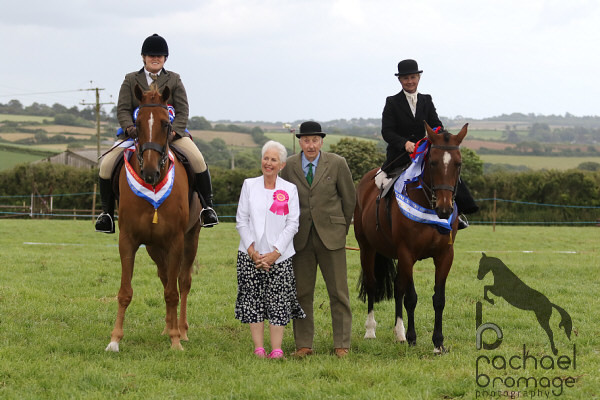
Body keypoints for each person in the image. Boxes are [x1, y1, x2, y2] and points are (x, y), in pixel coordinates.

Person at [95, 33, 218, 233]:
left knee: (198, 159)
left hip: (170, 135)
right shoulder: (130, 79)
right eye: (151, 55)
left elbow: (183, 110)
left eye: (159, 55)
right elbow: (123, 110)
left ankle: (207, 208)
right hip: (136, 135)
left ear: (165, 59)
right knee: (106, 164)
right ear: (143, 57)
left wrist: (174, 133)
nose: (155, 58)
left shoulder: (175, 79)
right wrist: (129, 128)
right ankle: (107, 215)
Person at [279, 121, 356, 358]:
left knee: (339, 293)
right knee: (302, 293)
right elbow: (282, 200)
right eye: (306, 140)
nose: (310, 145)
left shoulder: (337, 163)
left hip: (331, 237)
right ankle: (304, 345)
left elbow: (349, 199)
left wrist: (339, 228)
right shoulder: (289, 165)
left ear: (322, 141)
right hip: (299, 238)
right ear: (299, 142)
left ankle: (341, 344)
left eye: (314, 140)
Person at [380, 59, 478, 227]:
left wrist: (441, 137)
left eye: (413, 77)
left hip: (424, 153)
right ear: (400, 80)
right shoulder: (392, 102)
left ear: (418, 78)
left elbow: (436, 124)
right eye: (405, 78)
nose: (410, 81)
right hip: (401, 155)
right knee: (382, 184)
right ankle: (383, 217)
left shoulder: (426, 100)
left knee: (449, 175)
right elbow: (387, 131)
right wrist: (405, 143)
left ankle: (458, 214)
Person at [235, 140, 305, 359]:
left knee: (278, 301)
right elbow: (241, 220)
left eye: (273, 159)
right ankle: (259, 348)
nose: (268, 163)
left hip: (280, 257)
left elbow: (292, 223)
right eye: (266, 158)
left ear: (281, 165)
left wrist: (276, 253)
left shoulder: (289, 189)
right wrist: (252, 251)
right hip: (250, 255)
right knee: (253, 299)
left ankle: (276, 349)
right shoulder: (249, 185)